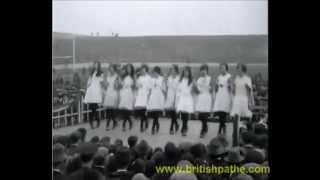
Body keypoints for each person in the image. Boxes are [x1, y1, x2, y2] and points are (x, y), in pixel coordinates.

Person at [230, 63, 254, 146]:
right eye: (237, 68)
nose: (237, 70)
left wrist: (250, 102)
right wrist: (231, 85)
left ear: (243, 69)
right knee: (235, 120)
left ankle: (248, 140)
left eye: (238, 68)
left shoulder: (247, 78)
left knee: (246, 120)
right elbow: (233, 91)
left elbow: (249, 92)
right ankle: (235, 139)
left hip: (244, 100)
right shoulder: (236, 78)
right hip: (237, 100)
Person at [213, 63, 232, 135]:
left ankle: (222, 127)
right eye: (220, 68)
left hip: (226, 95)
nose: (222, 69)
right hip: (220, 95)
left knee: (224, 112)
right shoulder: (219, 77)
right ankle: (222, 126)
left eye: (223, 68)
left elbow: (230, 88)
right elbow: (217, 88)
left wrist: (229, 85)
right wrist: (216, 84)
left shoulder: (229, 76)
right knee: (220, 112)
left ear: (226, 68)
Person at [83, 61, 104, 129]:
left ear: (99, 66)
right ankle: (92, 122)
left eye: (97, 65)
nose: (96, 66)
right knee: (91, 108)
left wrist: (101, 91)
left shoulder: (101, 73)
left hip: (96, 90)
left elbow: (101, 81)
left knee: (94, 107)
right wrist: (87, 87)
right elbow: (89, 81)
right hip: (91, 90)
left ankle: (96, 120)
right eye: (95, 65)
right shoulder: (91, 73)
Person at [195, 64, 213, 138]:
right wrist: (195, 86)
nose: (203, 72)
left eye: (205, 70)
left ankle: (203, 130)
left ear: (207, 71)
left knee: (205, 114)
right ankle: (205, 126)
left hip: (207, 97)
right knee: (200, 116)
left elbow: (211, 89)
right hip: (200, 97)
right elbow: (198, 91)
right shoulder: (199, 79)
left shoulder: (210, 78)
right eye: (202, 70)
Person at [176, 66, 195, 136]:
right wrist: (178, 98)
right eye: (184, 71)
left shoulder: (191, 80)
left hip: (188, 98)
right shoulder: (180, 80)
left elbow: (193, 91)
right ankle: (184, 127)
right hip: (182, 98)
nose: (185, 73)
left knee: (186, 114)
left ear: (189, 72)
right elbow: (178, 89)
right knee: (182, 113)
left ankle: (184, 128)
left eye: (187, 71)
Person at [147, 66, 166, 135]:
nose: (155, 74)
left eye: (156, 73)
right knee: (154, 113)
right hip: (153, 97)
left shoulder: (162, 79)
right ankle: (157, 124)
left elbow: (164, 89)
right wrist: (148, 97)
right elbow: (149, 89)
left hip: (159, 96)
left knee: (157, 112)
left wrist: (164, 98)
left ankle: (153, 128)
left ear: (159, 72)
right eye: (154, 73)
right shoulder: (151, 79)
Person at [134, 65, 152, 133]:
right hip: (140, 96)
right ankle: (145, 122)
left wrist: (149, 96)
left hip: (146, 95)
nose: (142, 71)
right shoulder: (140, 77)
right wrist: (136, 78)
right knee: (141, 111)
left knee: (144, 111)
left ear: (146, 70)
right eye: (141, 70)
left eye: (143, 70)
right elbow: (137, 85)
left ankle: (143, 125)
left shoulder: (149, 78)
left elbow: (150, 88)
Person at [118, 64, 135, 131]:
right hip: (124, 93)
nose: (128, 70)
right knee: (124, 110)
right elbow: (121, 85)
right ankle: (128, 123)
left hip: (129, 93)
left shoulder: (133, 76)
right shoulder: (123, 76)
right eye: (127, 68)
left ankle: (125, 125)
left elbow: (133, 86)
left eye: (130, 68)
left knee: (127, 110)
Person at [103, 64, 120, 131]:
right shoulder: (108, 76)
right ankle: (114, 122)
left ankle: (108, 124)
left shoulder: (116, 76)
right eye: (110, 69)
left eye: (112, 68)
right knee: (108, 110)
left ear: (114, 69)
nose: (111, 70)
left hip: (114, 93)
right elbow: (106, 85)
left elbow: (117, 86)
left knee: (112, 110)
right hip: (108, 93)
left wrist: (116, 83)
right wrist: (105, 82)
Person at [164, 65, 180, 135]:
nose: (172, 71)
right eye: (171, 69)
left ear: (176, 70)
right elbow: (167, 86)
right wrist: (165, 79)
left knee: (174, 111)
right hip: (170, 94)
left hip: (176, 95)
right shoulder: (169, 78)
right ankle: (176, 124)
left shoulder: (179, 78)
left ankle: (171, 127)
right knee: (171, 112)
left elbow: (179, 87)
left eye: (173, 69)